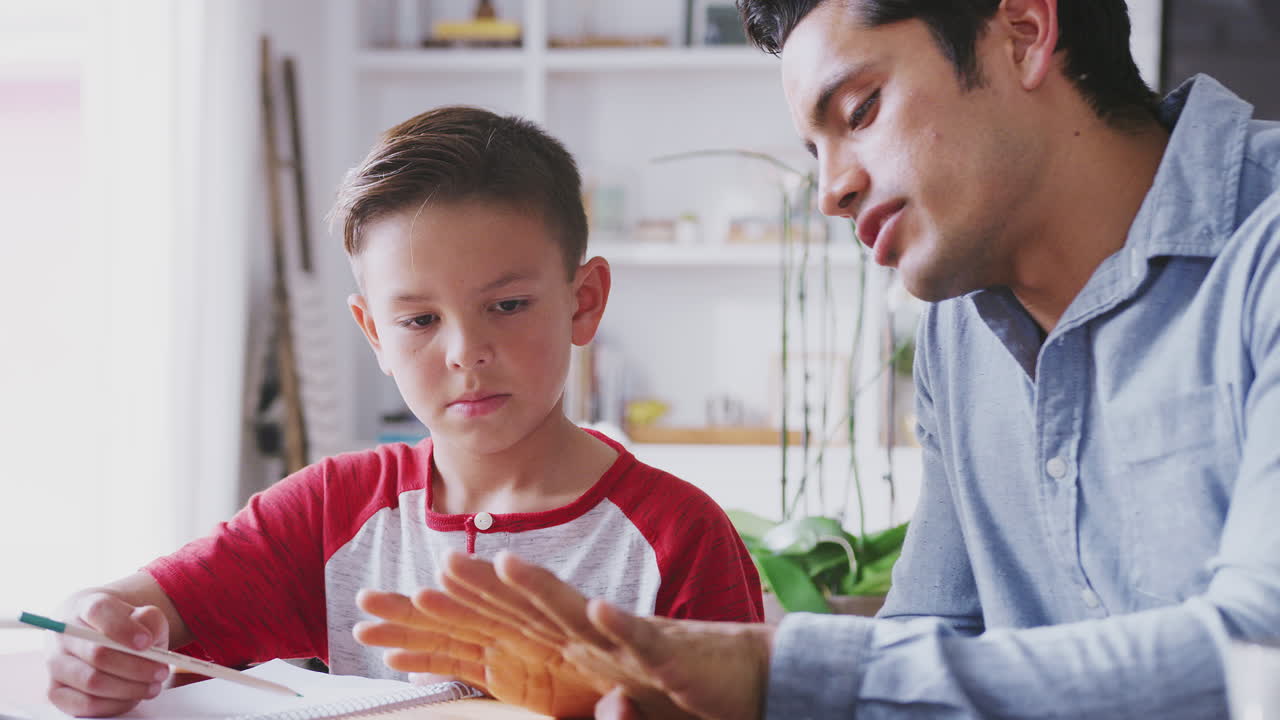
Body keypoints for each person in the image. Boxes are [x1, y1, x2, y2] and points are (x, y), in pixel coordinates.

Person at [352, 0, 1280, 717]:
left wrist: (765, 669)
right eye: (815, 146)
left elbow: (1257, 664)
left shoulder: (1262, 255)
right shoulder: (963, 330)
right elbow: (930, 635)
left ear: (1025, 30)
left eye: (860, 109)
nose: (832, 189)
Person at [43, 105, 763, 718]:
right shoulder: (329, 509)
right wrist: (92, 636)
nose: (465, 352)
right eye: (419, 320)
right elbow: (134, 612)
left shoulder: (680, 535)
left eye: (507, 306)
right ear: (373, 334)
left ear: (584, 301)